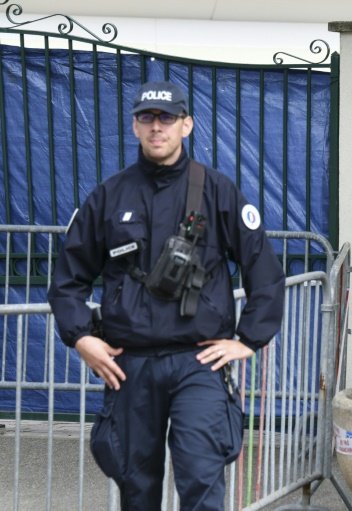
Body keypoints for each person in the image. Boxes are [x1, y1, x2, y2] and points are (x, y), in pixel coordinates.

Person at [47, 81, 286, 510]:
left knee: (200, 478)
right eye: (147, 118)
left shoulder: (217, 191)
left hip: (199, 362)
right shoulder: (108, 196)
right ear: (135, 126)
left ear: (186, 125)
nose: (157, 127)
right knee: (136, 487)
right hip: (130, 365)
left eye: (167, 118)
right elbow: (67, 279)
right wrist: (82, 338)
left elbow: (263, 271)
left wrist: (249, 339)